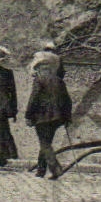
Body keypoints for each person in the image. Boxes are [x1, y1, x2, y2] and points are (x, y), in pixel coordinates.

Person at [25, 45, 73, 179]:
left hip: (42, 117)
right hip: (57, 118)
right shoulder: (59, 81)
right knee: (46, 143)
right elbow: (67, 101)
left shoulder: (39, 79)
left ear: (39, 67)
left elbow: (33, 98)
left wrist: (28, 115)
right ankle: (41, 170)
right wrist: (67, 119)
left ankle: (56, 168)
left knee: (45, 144)